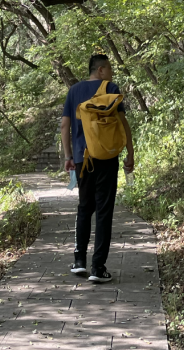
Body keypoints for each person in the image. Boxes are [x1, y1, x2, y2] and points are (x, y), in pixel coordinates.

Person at [61, 54, 134, 283]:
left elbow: (65, 125)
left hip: (83, 159)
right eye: (109, 68)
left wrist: (68, 156)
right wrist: (130, 153)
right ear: (100, 70)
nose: (111, 72)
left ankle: (79, 261)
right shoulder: (110, 88)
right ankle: (98, 268)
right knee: (104, 211)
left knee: (84, 208)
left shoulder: (74, 91)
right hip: (107, 156)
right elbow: (122, 123)